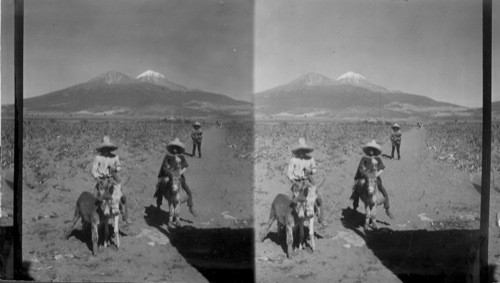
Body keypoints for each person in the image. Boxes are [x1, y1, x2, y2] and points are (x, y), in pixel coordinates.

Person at [91, 136, 131, 224]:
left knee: (122, 197)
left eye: (107, 148)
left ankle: (125, 215)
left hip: (111, 179)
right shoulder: (98, 157)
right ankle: (91, 218)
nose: (106, 150)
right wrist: (97, 178)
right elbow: (93, 170)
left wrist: (115, 169)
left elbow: (119, 166)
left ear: (109, 149)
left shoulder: (115, 157)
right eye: (104, 148)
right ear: (102, 149)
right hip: (101, 180)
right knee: (94, 199)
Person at [154, 138, 198, 217]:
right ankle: (158, 207)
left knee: (187, 189)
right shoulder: (167, 156)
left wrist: (180, 173)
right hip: (168, 175)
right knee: (160, 187)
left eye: (176, 147)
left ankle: (191, 207)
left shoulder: (181, 157)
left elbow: (185, 166)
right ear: (171, 148)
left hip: (178, 176)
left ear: (178, 149)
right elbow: (164, 167)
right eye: (173, 147)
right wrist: (169, 173)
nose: (175, 149)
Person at [351, 140, 394, 219]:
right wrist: (365, 175)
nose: (371, 150)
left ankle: (387, 209)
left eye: (373, 149)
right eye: (370, 149)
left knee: (384, 191)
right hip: (365, 177)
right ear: (368, 150)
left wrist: (376, 175)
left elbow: (381, 168)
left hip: (375, 178)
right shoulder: (364, 158)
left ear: (375, 151)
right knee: (357, 189)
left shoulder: (378, 159)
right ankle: (354, 208)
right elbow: (361, 169)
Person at [287, 138, 325, 225]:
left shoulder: (310, 159)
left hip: (307, 181)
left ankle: (321, 218)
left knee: (319, 197)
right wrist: (293, 182)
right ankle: (289, 220)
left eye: (303, 150)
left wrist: (311, 171)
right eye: (300, 150)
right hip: (296, 182)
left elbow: (315, 169)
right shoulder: (293, 160)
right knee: (290, 201)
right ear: (298, 150)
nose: (302, 152)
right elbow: (289, 173)